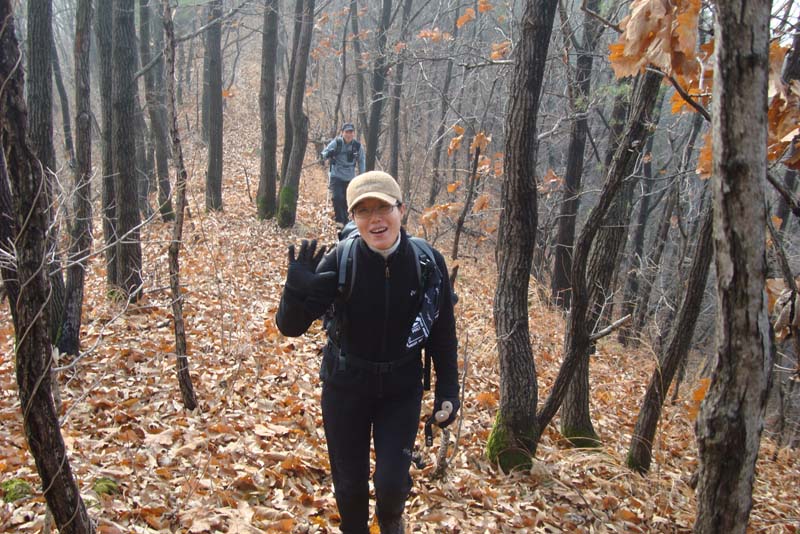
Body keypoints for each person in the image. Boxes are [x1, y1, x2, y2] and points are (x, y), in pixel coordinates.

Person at [276, 171, 460, 534]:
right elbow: (290, 327)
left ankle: (391, 522)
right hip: (345, 387)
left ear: (401, 210)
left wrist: (448, 391)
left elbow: (443, 334)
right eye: (363, 211)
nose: (375, 219)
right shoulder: (340, 262)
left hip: (401, 390)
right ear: (353, 218)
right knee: (349, 487)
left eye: (383, 208)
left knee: (392, 486)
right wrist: (294, 292)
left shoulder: (427, 264)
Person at [321, 123, 366, 226]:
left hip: (350, 178)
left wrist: (362, 177)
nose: (348, 134)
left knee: (346, 201)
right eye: (346, 132)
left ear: (354, 133)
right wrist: (328, 154)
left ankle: (344, 221)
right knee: (337, 198)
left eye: (351, 132)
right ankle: (340, 221)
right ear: (342, 133)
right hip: (336, 175)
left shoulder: (358, 146)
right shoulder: (337, 143)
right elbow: (323, 154)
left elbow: (362, 161)